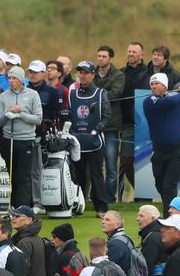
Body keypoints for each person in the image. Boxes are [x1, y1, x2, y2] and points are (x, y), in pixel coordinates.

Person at [143, 72, 180, 214]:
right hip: (158, 151)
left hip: (177, 150)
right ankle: (177, 211)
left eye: (157, 83)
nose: (153, 86)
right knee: (160, 184)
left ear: (165, 86)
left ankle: (169, 218)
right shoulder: (150, 102)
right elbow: (168, 103)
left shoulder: (177, 102)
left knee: (169, 186)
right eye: (152, 84)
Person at [67, 61, 110, 217]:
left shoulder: (100, 93)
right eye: (80, 72)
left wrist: (96, 130)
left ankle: (101, 208)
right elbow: (69, 115)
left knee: (96, 174)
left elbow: (106, 117)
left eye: (85, 72)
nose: (82, 75)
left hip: (95, 142)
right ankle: (78, 205)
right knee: (78, 175)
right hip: (77, 142)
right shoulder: (72, 94)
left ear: (93, 74)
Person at [0, 66, 42, 208]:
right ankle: (14, 207)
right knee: (12, 175)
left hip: (26, 140)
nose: (11, 81)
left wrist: (20, 114)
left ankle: (24, 208)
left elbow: (38, 119)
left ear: (21, 80)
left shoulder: (32, 95)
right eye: (9, 78)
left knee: (24, 176)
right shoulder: (3, 96)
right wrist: (8, 114)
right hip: (8, 140)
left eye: (14, 78)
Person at [26, 59, 60, 214]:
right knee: (29, 172)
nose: (32, 75)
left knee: (40, 171)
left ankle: (42, 202)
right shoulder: (24, 90)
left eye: (35, 72)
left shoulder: (52, 92)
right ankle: (32, 202)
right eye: (30, 72)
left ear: (43, 74)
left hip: (44, 137)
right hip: (26, 135)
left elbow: (57, 114)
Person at [94, 45, 127, 204]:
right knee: (94, 165)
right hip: (93, 124)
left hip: (111, 126)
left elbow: (115, 94)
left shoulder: (118, 75)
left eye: (104, 56)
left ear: (110, 59)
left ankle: (110, 199)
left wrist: (96, 94)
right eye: (99, 56)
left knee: (111, 166)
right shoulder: (91, 73)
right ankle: (96, 197)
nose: (100, 59)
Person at [119, 41, 148, 195]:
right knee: (126, 159)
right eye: (129, 51)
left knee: (145, 160)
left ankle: (144, 197)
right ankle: (139, 189)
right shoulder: (121, 73)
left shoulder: (148, 73)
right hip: (128, 124)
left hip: (145, 123)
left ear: (142, 55)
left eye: (134, 52)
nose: (130, 54)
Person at [9, 206, 45, 276]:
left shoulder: (24, 242)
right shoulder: (38, 238)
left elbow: (21, 270)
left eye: (17, 216)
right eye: (13, 215)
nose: (13, 218)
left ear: (28, 220)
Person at [102, 210, 135, 275]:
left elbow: (108, 270)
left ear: (117, 224)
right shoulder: (126, 239)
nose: (103, 222)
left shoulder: (115, 243)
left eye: (107, 220)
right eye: (103, 219)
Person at [137, 205, 168, 275]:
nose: (137, 219)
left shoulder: (152, 238)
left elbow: (146, 267)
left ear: (153, 219)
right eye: (138, 216)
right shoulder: (162, 231)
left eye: (141, 216)